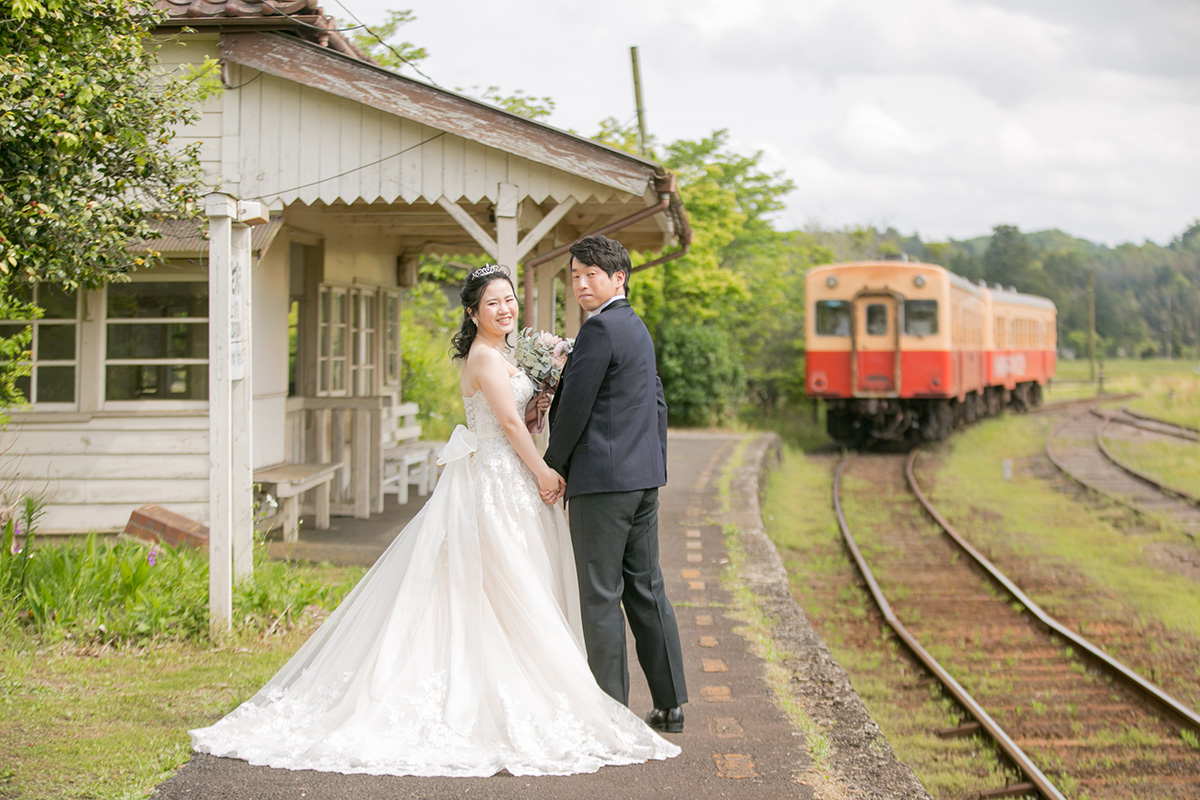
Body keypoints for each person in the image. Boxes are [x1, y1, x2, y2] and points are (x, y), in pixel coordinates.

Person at [189, 265, 680, 777]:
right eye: (492, 303)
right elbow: (509, 425)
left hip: (511, 479)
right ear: (472, 313)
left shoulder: (510, 354)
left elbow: (525, 414)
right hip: (495, 479)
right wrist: (545, 472)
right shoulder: (484, 358)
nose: (505, 309)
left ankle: (535, 682)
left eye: (509, 300)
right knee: (498, 584)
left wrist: (543, 401)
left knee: (523, 583)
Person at [542, 235, 688, 734]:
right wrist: (654, 466)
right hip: (641, 480)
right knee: (646, 589)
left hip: (602, 485)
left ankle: (609, 714)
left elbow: (576, 407)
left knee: (601, 594)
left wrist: (552, 465)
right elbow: (657, 404)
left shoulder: (599, 330)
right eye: (576, 275)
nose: (581, 284)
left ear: (618, 277)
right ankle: (669, 706)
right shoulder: (636, 329)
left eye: (591, 275)